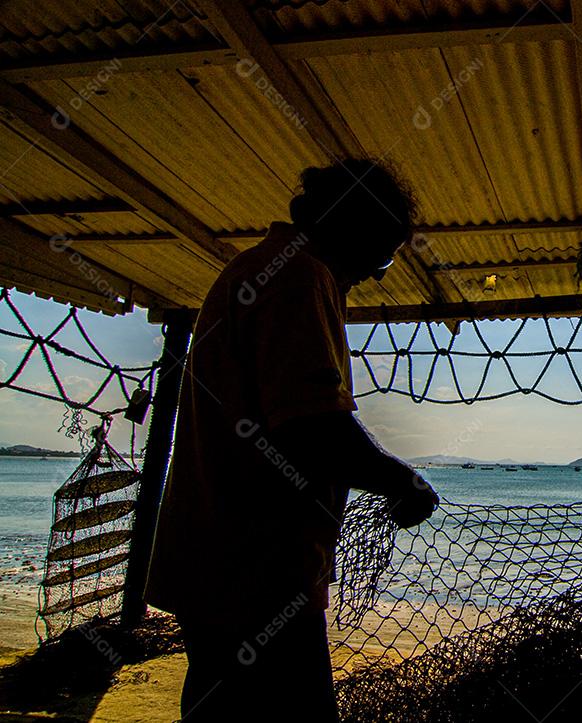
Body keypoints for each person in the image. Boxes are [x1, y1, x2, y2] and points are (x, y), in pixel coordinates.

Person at [145, 158, 439, 721]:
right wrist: (403, 481)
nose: (378, 273)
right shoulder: (299, 276)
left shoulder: (256, 267)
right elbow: (312, 428)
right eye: (383, 254)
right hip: (257, 573)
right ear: (354, 229)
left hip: (215, 563)